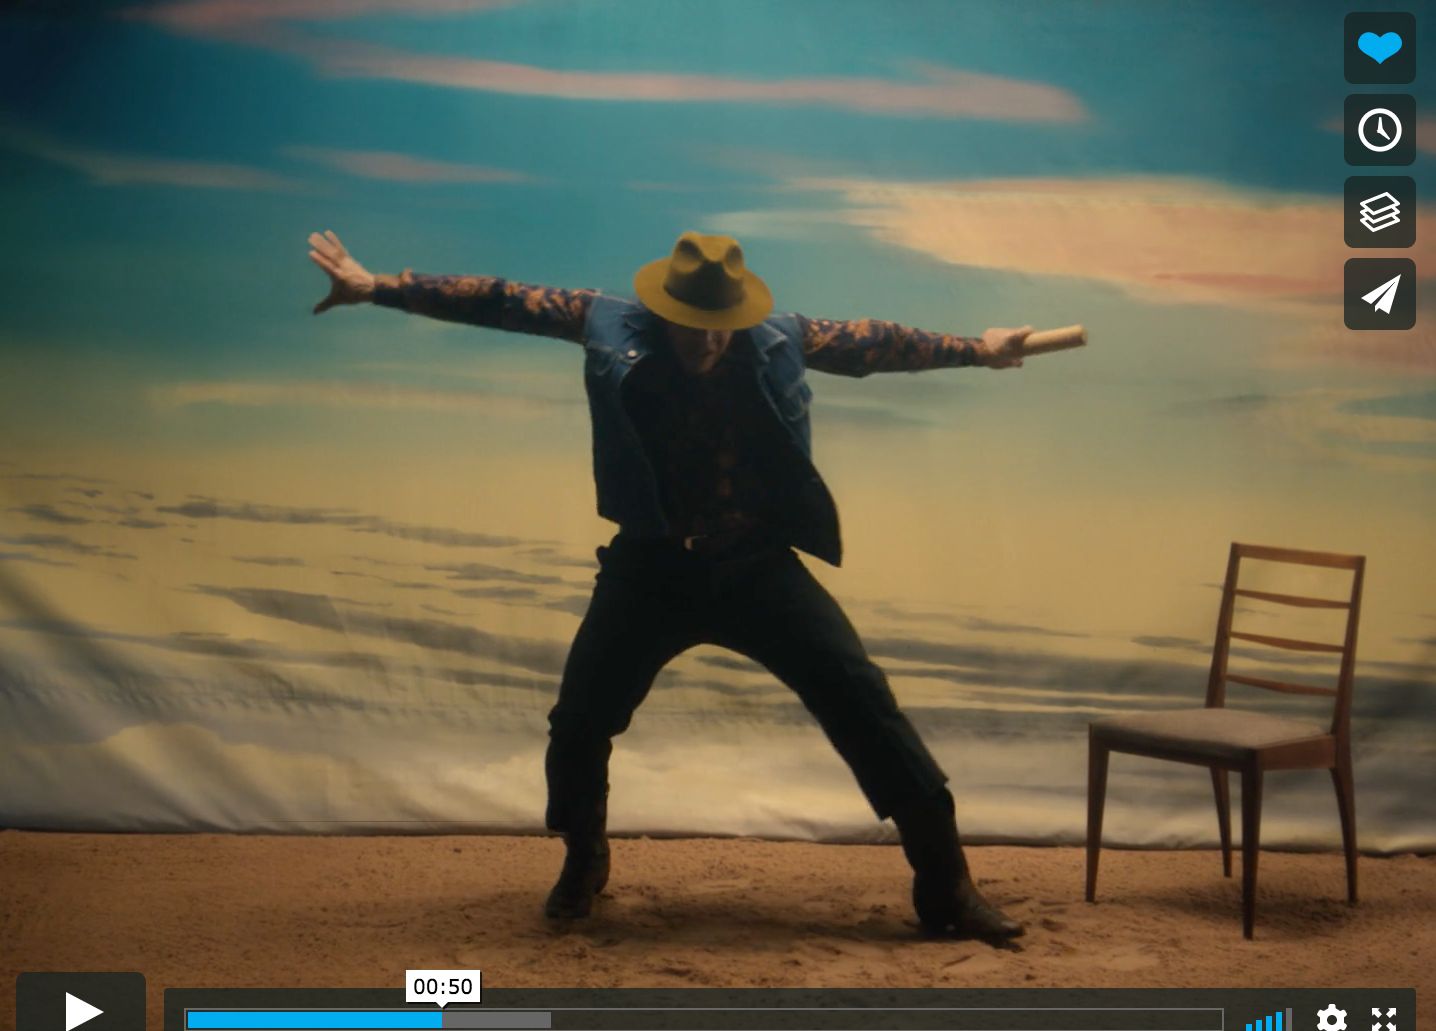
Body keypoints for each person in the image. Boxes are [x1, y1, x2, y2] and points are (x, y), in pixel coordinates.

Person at [307, 228, 1032, 943]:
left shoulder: (776, 337)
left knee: (864, 704)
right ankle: (585, 856)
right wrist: (379, 288)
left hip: (757, 565)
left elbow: (877, 344)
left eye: (723, 330)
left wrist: (980, 349)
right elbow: (502, 301)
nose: (709, 344)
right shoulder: (606, 323)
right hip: (650, 568)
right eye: (693, 330)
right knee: (580, 723)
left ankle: (947, 887)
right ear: (663, 313)